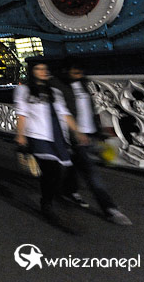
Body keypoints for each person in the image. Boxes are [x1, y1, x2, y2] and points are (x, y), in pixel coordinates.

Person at [57, 63, 131, 225]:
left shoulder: (84, 85)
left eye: (79, 71)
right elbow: (62, 114)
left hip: (90, 134)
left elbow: (90, 111)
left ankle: (67, 190)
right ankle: (110, 209)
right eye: (74, 70)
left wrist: (100, 131)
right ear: (66, 71)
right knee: (92, 173)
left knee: (76, 165)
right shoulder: (61, 87)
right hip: (76, 137)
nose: (78, 73)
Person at [14, 62, 87, 224]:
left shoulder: (54, 92)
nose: (42, 72)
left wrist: (77, 131)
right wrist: (20, 135)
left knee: (59, 170)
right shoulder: (24, 90)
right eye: (38, 69)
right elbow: (21, 114)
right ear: (32, 72)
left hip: (57, 135)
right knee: (51, 168)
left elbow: (65, 114)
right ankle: (46, 203)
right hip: (37, 135)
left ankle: (50, 197)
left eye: (44, 69)